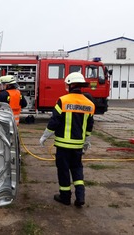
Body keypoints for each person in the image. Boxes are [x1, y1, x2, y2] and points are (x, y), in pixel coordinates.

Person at [39, 72, 95, 207]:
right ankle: (80, 197)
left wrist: (45, 136)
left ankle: (65, 197)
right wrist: (87, 140)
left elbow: (54, 121)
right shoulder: (89, 104)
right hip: (78, 146)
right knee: (77, 169)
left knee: (63, 170)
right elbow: (89, 126)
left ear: (70, 85)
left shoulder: (63, 100)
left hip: (63, 146)